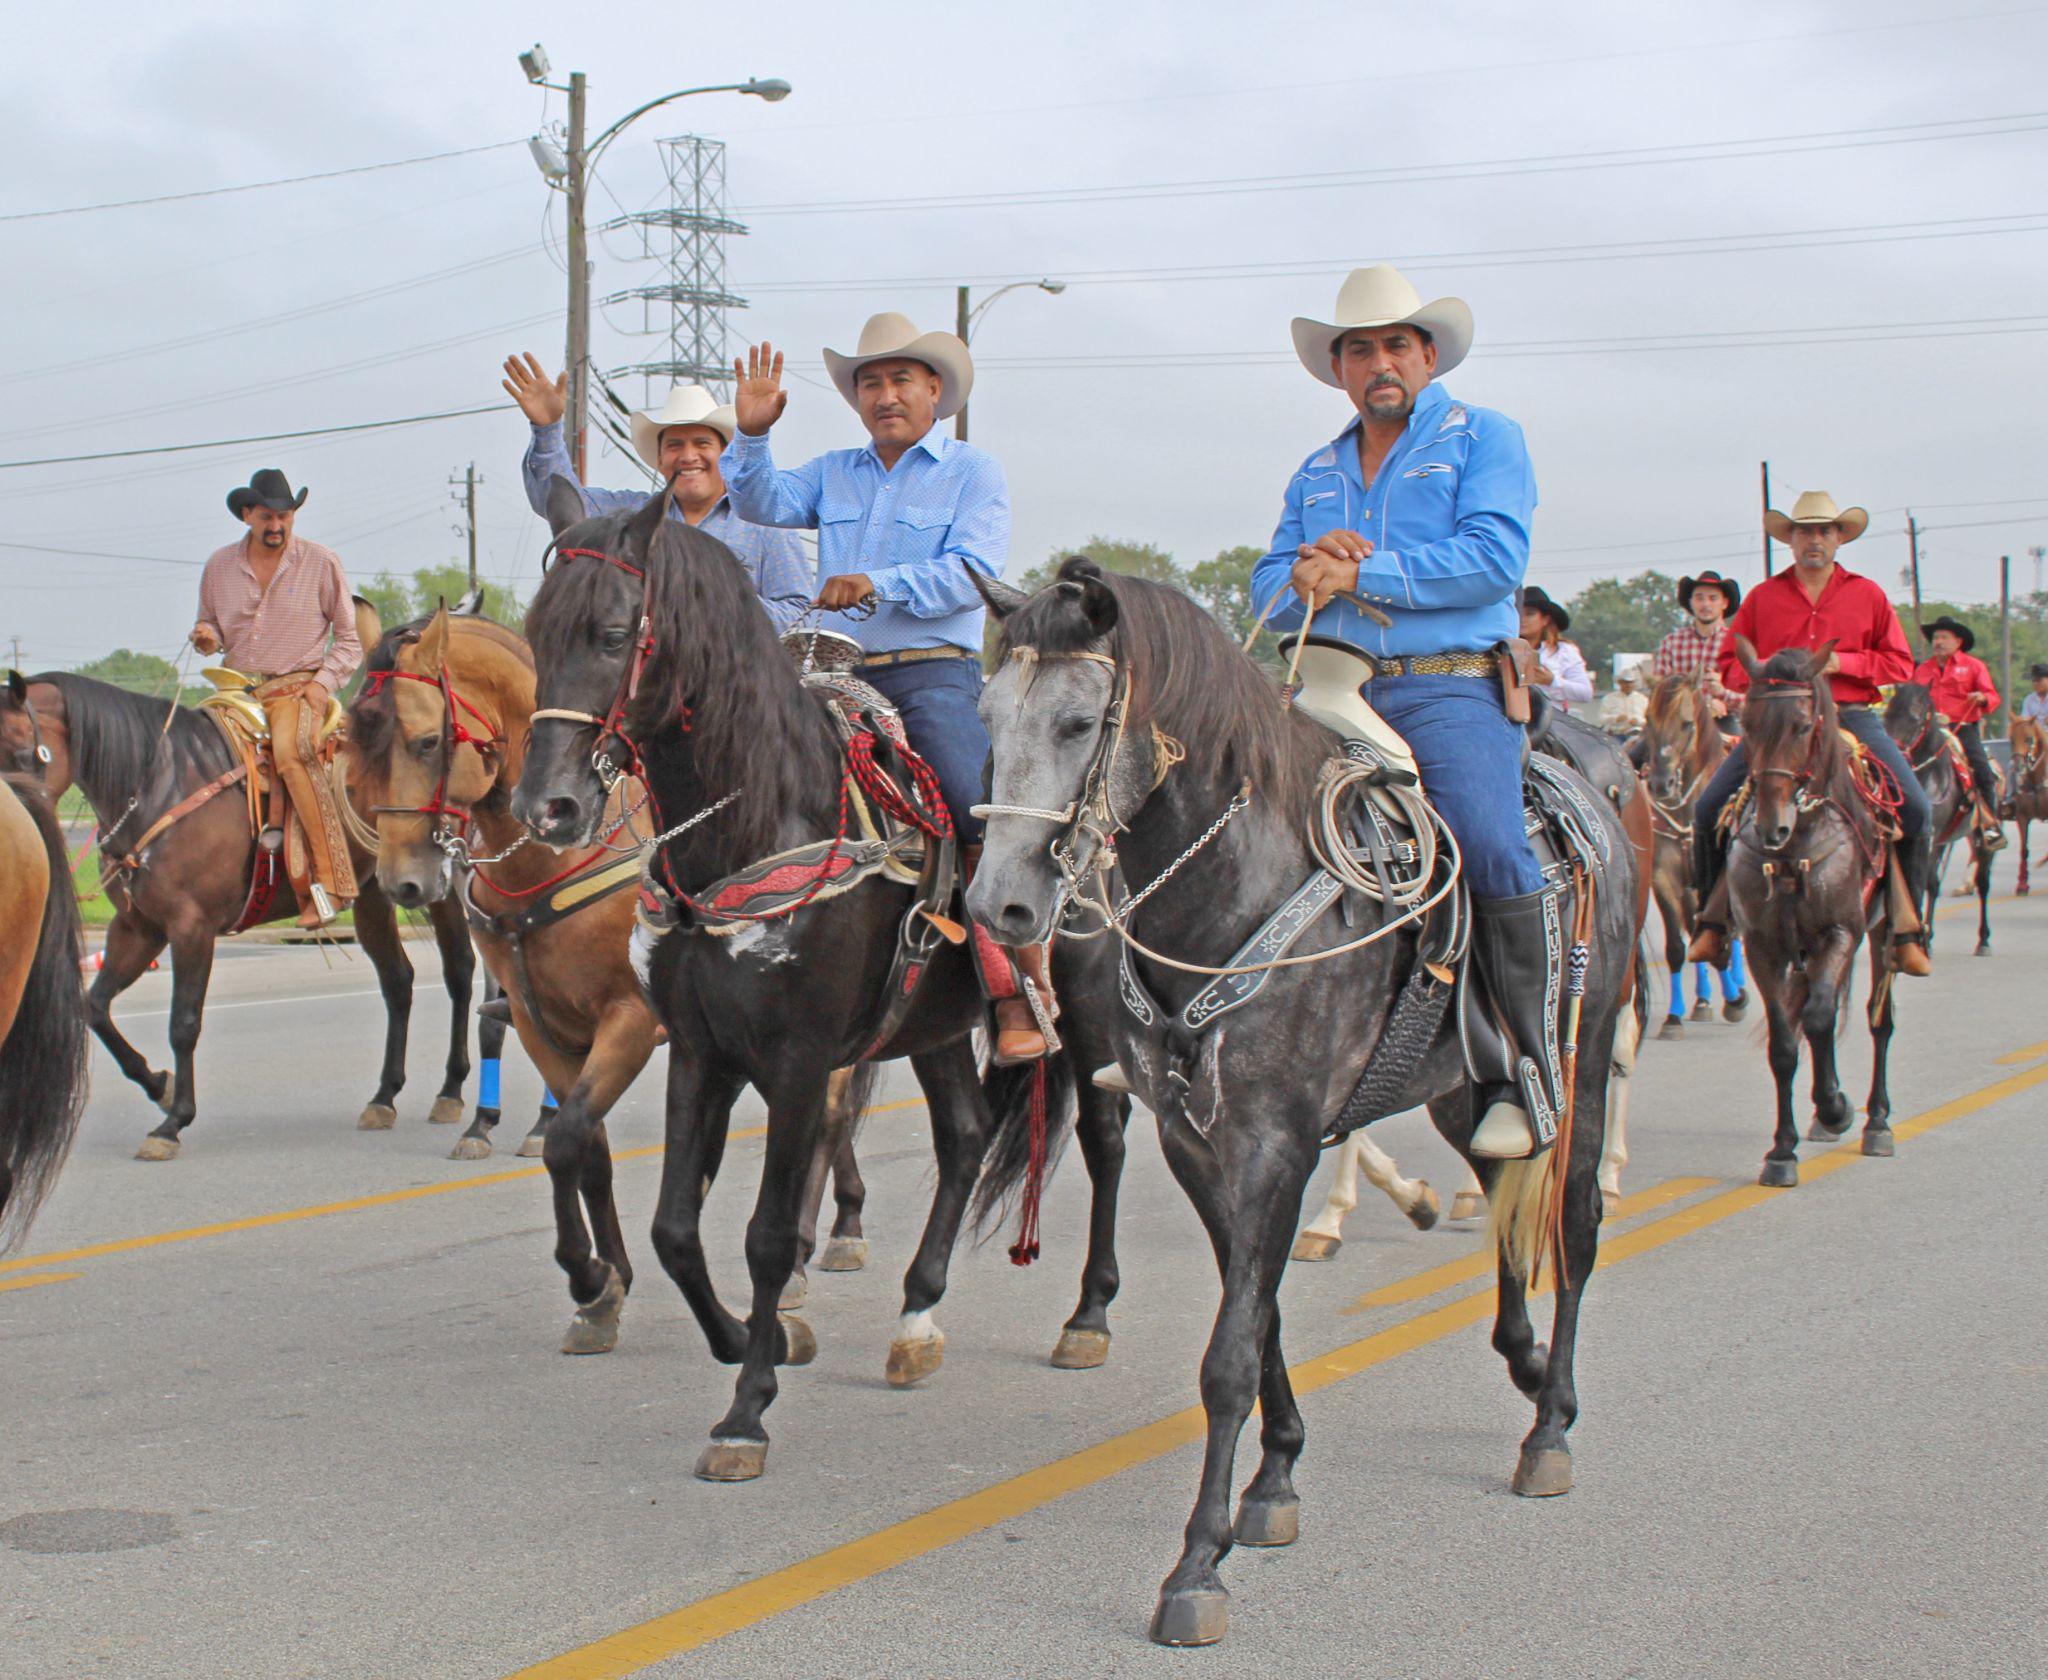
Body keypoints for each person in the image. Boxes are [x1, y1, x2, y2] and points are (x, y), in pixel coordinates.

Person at [1250, 263, 1558, 1160]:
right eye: (1358, 350)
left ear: (1427, 355)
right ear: (1337, 368)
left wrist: (1362, 569)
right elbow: (1270, 584)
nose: (1378, 362)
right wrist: (1308, 566)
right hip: (1324, 686)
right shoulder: (1316, 471)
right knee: (1215, 813)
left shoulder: (1484, 437)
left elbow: (1494, 559)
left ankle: (1518, 1072)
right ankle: (1186, 1026)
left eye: (1395, 345)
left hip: (1447, 684)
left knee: (1489, 839)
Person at [720, 314, 1054, 1063]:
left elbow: (972, 575)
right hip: (828, 673)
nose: (885, 394)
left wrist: (876, 583)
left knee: (976, 808)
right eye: (870, 382)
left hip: (931, 675)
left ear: (937, 391)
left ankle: (1015, 990)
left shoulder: (974, 472)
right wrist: (751, 436)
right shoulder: (836, 470)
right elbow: (758, 501)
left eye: (901, 378)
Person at [1687, 490, 1931, 975]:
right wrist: (1766, 679)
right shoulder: (1764, 597)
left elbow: (1901, 662)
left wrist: (1847, 662)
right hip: (1779, 726)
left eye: (1824, 530)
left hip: (1850, 716)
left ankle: (1908, 928)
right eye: (1804, 531)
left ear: (1840, 538)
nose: (1814, 540)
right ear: (1791, 540)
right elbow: (1731, 664)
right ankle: (1712, 925)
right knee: (1708, 807)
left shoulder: (1868, 594)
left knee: (1916, 807)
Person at [502, 356, 812, 631]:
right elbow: (560, 503)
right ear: (661, 460)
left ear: (725, 456)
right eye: (675, 445)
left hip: (739, 687)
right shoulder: (631, 516)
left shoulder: (764, 524)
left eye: (702, 444)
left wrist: (722, 604)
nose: (688, 456)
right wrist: (547, 430)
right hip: (647, 685)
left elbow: (799, 614)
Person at [192, 470, 361, 927]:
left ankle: (330, 884)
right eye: (267, 516)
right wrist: (207, 637)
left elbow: (349, 640)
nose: (277, 526)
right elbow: (211, 627)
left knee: (292, 756)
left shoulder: (321, 563)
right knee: (194, 753)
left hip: (297, 686)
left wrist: (322, 683)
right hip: (235, 687)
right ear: (247, 515)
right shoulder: (218, 566)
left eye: (284, 516)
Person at [1912, 615, 2005, 846]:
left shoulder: (1974, 666)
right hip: (1928, 729)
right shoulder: (1922, 670)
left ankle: (1989, 824)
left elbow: (1993, 697)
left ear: (1958, 641)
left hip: (1962, 727)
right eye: (1935, 637)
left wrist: (1982, 697)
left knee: (1982, 769)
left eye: (1944, 637)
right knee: (1899, 764)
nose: (1938, 642)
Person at [1655, 570, 1740, 727]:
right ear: (1691, 602)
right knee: (1633, 750)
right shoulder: (1671, 643)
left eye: (1712, 598)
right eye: (1699, 598)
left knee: (1746, 750)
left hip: (1723, 722)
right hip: (1678, 724)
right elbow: (1658, 691)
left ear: (1724, 603)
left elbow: (1751, 697)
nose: (1705, 604)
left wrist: (1722, 694)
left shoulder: (1737, 645)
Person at [1519, 586, 1592, 709]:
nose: (1522, 619)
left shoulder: (1564, 651)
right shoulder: (1500, 649)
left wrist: (1552, 681)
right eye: (1518, 613)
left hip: (1551, 722)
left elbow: (1585, 693)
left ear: (1545, 620)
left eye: (1529, 614)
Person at [1599, 661, 1649, 736]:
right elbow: (1601, 718)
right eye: (1625, 682)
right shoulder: (1609, 698)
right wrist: (1615, 718)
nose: (1628, 685)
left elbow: (1649, 720)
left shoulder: (1642, 699)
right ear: (1619, 683)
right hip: (1616, 734)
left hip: (1637, 734)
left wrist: (1639, 721)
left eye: (1631, 682)